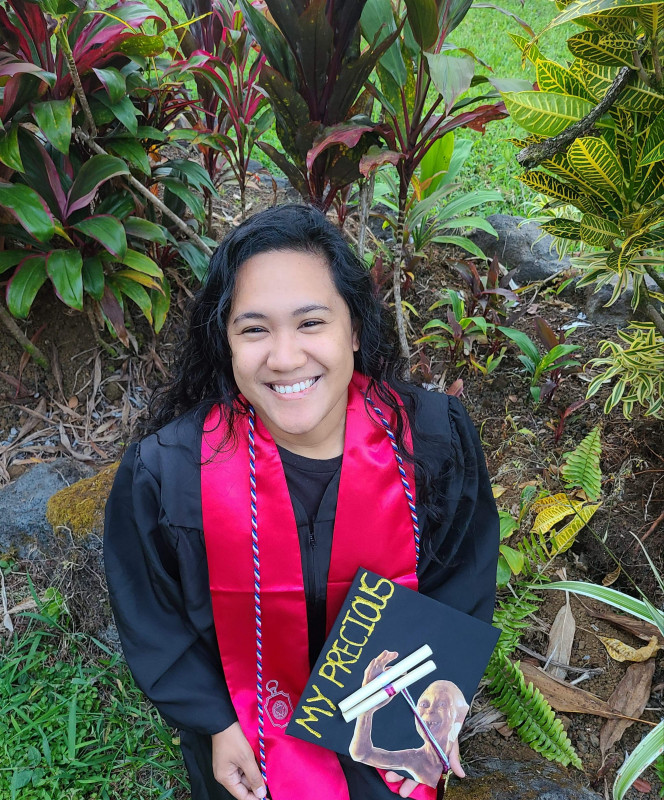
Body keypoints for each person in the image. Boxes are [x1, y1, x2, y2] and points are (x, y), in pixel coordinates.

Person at [104, 204, 499, 800]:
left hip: (386, 725)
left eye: (311, 322)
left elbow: (459, 585)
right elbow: (151, 615)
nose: (285, 357)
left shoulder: (431, 441)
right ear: (226, 342)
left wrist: (430, 707)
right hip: (244, 743)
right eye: (254, 329)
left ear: (355, 328)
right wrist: (215, 723)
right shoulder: (170, 472)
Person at [349, 649, 469, 787]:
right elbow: (362, 754)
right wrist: (367, 708)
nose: (430, 710)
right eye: (424, 704)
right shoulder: (414, 759)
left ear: (458, 716)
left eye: (442, 704)